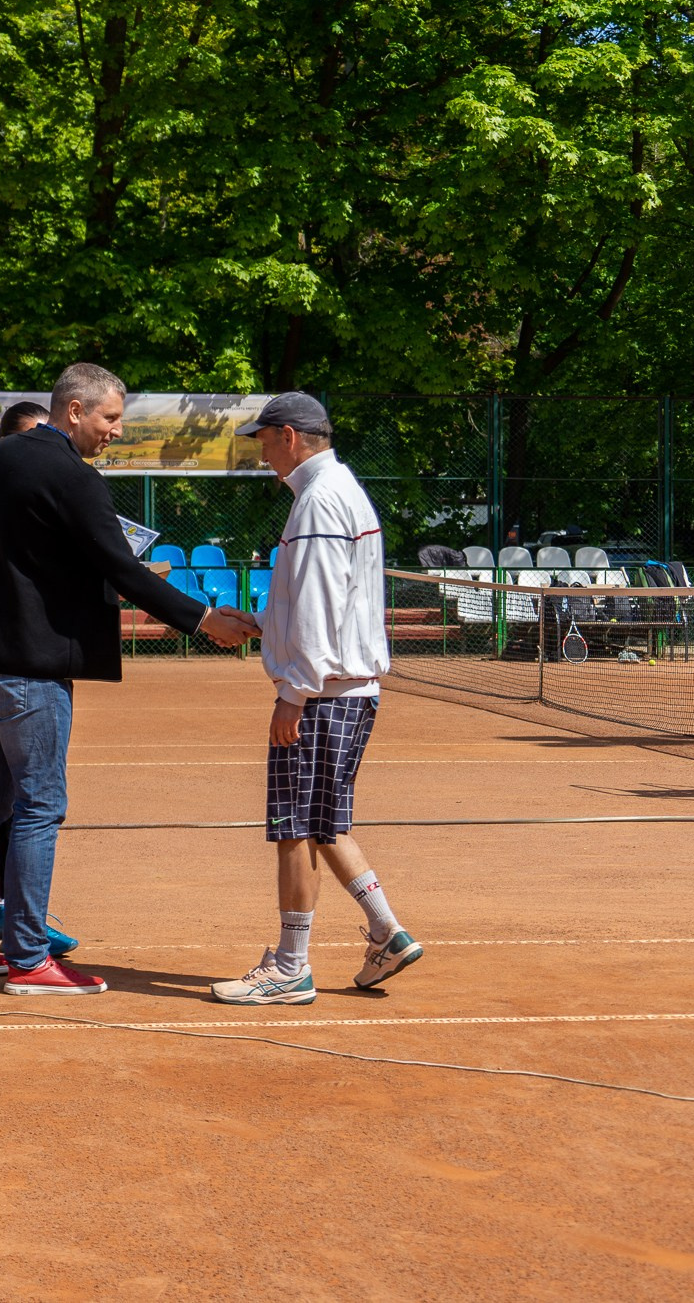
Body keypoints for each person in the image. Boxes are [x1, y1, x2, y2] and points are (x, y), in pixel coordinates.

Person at [0, 363, 258, 994]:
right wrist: (205, 618)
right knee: (39, 803)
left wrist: (37, 570)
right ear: (73, 411)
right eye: (109, 418)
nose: (116, 431)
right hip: (29, 668)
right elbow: (124, 571)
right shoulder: (73, 477)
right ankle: (26, 958)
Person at [210, 393, 420, 1006]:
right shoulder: (336, 492)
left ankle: (291, 966)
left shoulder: (319, 500)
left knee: (293, 828)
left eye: (263, 440)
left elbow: (321, 607)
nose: (262, 452)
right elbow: (320, 602)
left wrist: (293, 693)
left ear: (289, 437)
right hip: (344, 688)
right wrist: (261, 622)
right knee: (326, 824)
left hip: (323, 692)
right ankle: (387, 931)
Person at [0, 401, 82, 959]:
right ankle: (23, 943)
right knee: (26, 801)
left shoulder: (45, 478)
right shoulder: (2, 480)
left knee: (3, 799)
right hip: (17, 661)